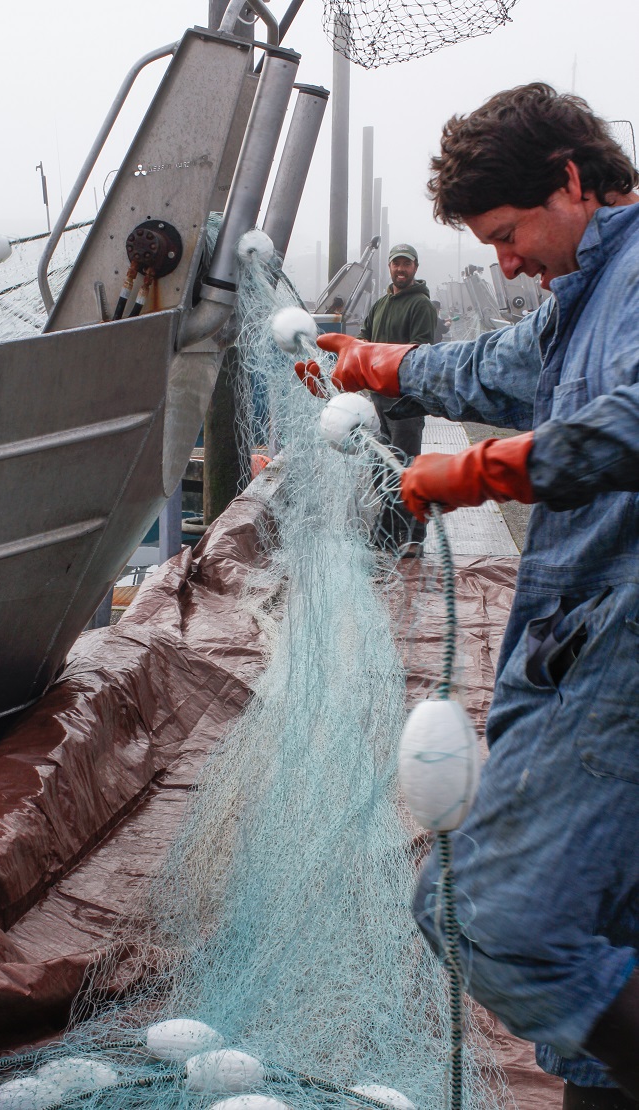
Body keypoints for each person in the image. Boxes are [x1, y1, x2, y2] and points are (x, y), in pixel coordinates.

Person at [296, 83, 639, 1109]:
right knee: (608, 925)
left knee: (486, 914)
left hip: (616, 645)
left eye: (506, 232)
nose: (503, 263)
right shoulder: (590, 286)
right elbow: (501, 363)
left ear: (571, 182)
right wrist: (382, 365)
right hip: (582, 635)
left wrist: (482, 474)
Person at [359, 244, 437, 551]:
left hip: (405, 402)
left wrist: (380, 361)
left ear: (415, 267)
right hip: (377, 401)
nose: (400, 269)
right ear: (389, 267)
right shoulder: (379, 304)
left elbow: (420, 352)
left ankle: (398, 537)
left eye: (406, 264)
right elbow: (364, 338)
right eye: (395, 264)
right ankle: (405, 532)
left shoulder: (421, 306)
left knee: (403, 469)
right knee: (381, 471)